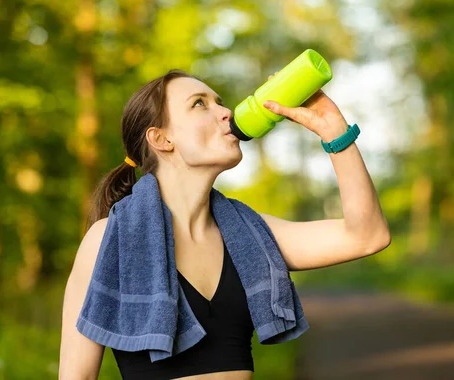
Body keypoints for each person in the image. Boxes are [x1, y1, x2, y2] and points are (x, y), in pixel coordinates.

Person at [59, 69, 391, 379]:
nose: (226, 112)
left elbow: (367, 236)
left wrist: (334, 131)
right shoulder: (109, 240)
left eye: (219, 102)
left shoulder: (252, 234)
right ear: (161, 139)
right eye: (199, 104)